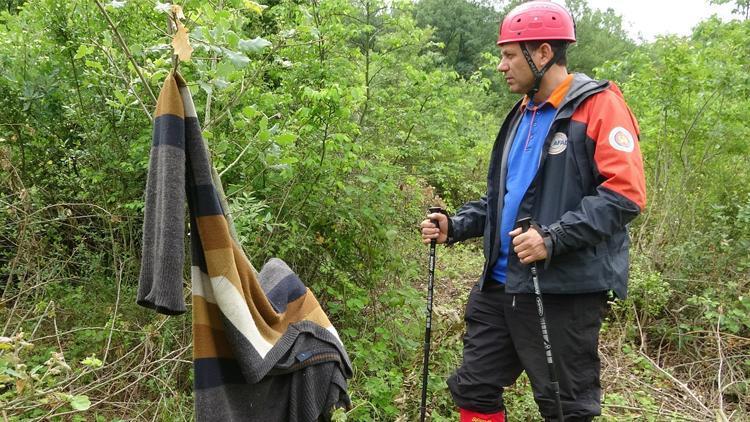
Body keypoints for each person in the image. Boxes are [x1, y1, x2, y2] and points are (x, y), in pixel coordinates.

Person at [420, 1, 646, 421]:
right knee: (473, 389)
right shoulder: (522, 113)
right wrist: (457, 225)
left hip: (564, 289)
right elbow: (505, 198)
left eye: (509, 54)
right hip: (501, 284)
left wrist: (553, 238)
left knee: (565, 407)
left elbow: (625, 194)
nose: (502, 65)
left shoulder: (598, 107)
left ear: (542, 53)